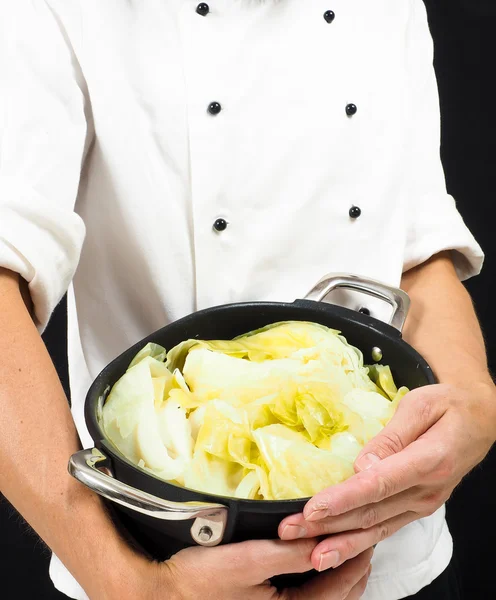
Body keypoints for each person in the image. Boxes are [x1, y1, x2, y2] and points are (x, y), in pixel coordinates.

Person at [0, 1, 494, 599]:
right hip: (160, 556)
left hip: (392, 550)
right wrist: (129, 584)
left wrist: (471, 398)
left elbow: (418, 253)